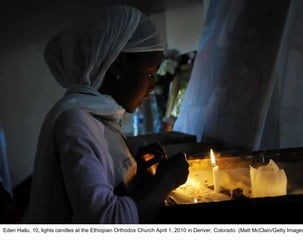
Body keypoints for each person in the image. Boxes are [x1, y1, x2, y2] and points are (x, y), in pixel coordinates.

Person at [27, 5, 189, 224]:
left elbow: (107, 186)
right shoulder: (75, 120)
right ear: (117, 65)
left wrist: (134, 172)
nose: (152, 87)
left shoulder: (100, 115)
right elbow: (105, 221)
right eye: (149, 73)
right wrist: (165, 181)